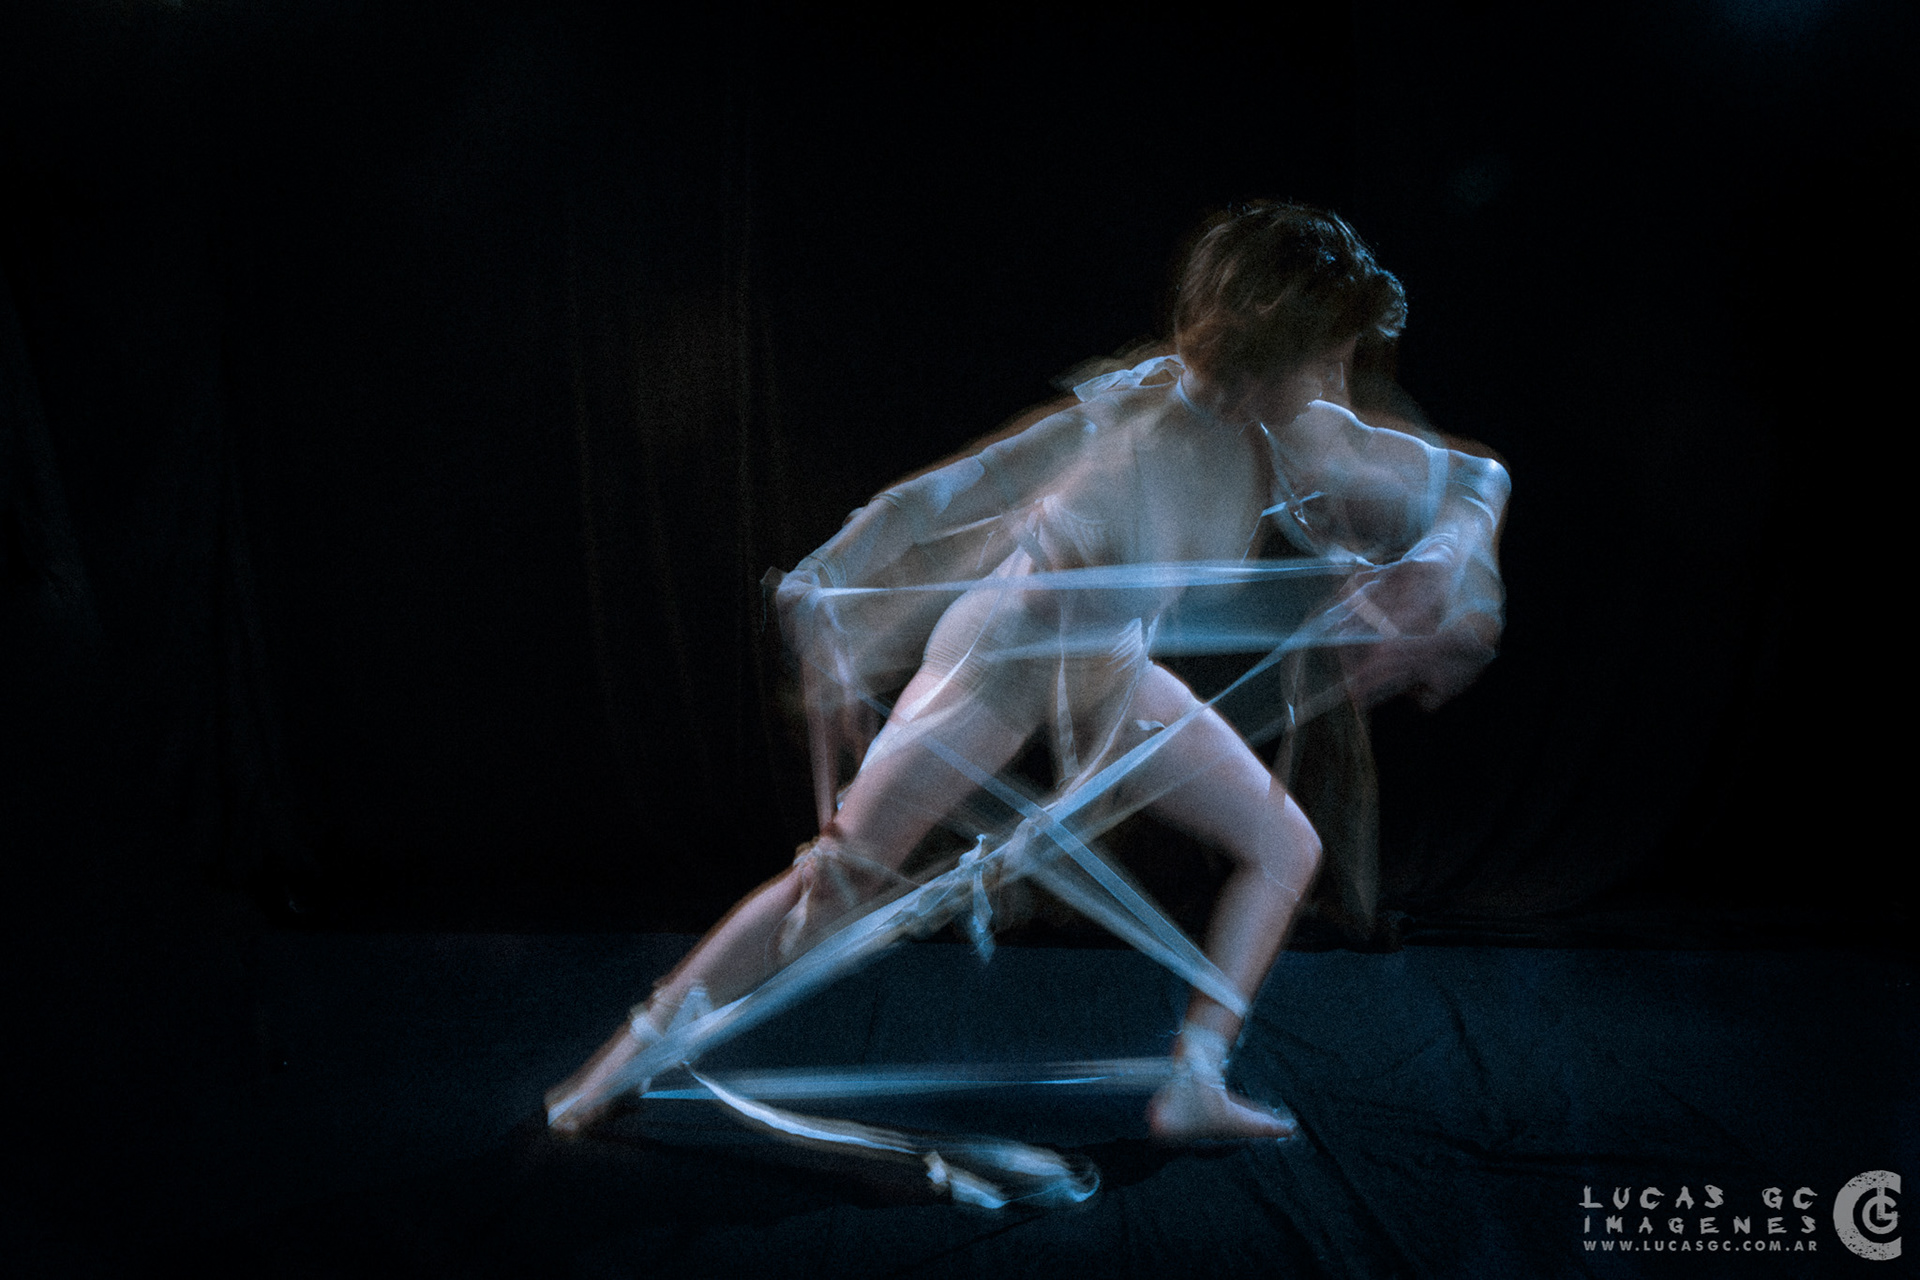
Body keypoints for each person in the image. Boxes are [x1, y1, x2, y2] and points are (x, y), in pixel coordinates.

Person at [546, 202, 1510, 1143]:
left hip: (1111, 670)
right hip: (997, 661)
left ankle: (1194, 1082)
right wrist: (821, 584)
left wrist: (1443, 558)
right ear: (1268, 348)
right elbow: (934, 500)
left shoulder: (1297, 436)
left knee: (1284, 846)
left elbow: (1477, 481)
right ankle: (618, 1063)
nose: (1341, 382)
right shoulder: (1122, 424)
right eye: (1326, 358)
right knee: (834, 888)